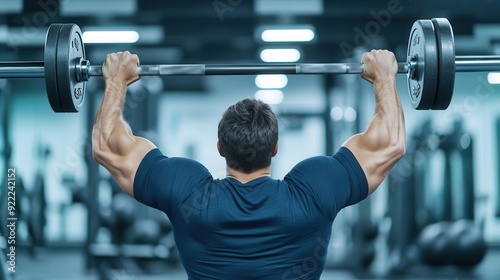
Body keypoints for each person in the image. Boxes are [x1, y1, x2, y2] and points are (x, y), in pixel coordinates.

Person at [92, 50, 405, 279]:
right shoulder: (313, 190)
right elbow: (390, 142)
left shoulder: (189, 193)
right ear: (275, 148)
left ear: (219, 148)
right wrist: (385, 78)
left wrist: (117, 82)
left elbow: (107, 145)